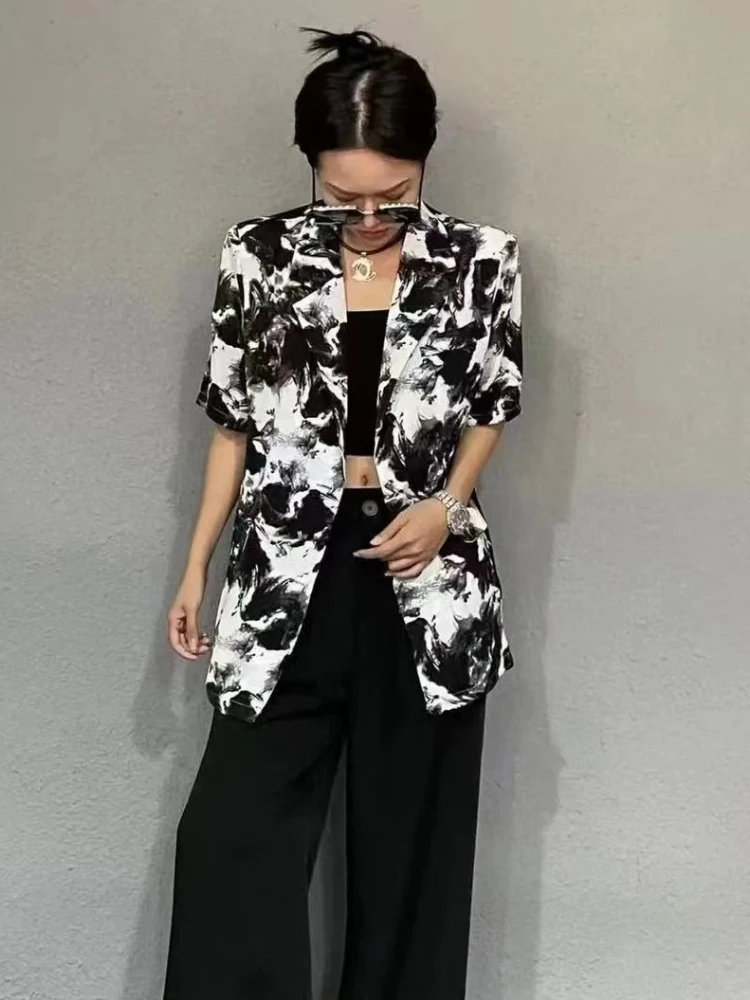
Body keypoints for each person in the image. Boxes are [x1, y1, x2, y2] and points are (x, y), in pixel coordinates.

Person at [162, 26, 523, 1000]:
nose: (367, 218)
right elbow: (232, 425)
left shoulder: (481, 259)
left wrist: (446, 505)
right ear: (312, 169)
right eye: (342, 196)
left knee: (413, 857)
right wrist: (197, 566)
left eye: (392, 196)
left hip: (425, 574)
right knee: (231, 838)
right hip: (286, 571)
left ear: (424, 163)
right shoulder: (258, 255)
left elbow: (492, 406)